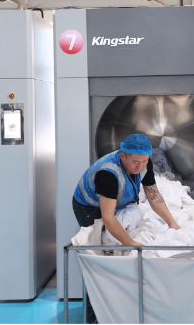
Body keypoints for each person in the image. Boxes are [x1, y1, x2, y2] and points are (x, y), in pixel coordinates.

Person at [72, 134, 181, 323]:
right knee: (95, 256)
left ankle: (121, 308)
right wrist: (131, 243)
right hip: (89, 207)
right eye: (136, 162)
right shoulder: (108, 173)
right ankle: (93, 316)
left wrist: (172, 223)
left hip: (117, 203)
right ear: (122, 156)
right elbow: (108, 217)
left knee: (116, 245)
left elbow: (153, 195)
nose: (140, 166)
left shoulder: (144, 163)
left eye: (144, 161)